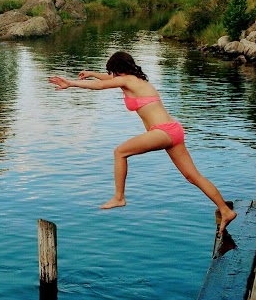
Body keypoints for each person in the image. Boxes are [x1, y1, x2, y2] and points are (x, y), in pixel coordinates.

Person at [48, 51, 237, 235]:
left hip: (162, 132)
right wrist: (90, 73)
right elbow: (108, 80)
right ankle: (225, 210)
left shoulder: (127, 80)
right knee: (192, 176)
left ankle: (119, 197)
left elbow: (101, 86)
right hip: (173, 130)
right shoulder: (136, 80)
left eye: (111, 72)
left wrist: (71, 83)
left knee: (120, 152)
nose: (110, 76)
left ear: (118, 70)